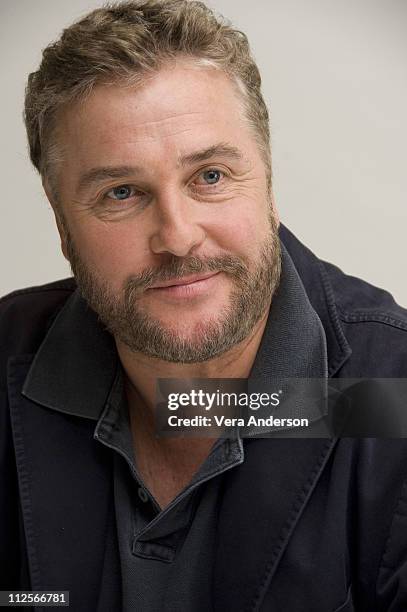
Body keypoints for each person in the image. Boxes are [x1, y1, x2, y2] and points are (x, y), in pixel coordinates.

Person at [1, 1, 407, 610]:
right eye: (121, 192)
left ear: (268, 186)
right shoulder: (8, 357)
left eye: (210, 176)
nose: (178, 236)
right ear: (62, 226)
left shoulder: (392, 392)